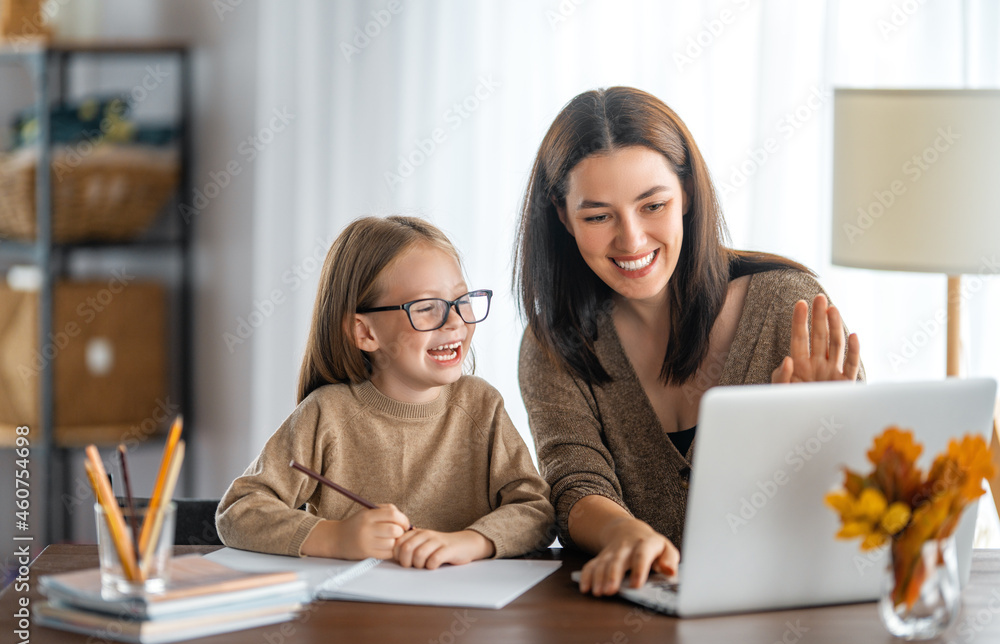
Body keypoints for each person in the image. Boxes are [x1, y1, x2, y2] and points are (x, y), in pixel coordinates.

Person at [514, 87, 864, 597]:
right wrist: (626, 533)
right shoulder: (555, 342)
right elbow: (576, 484)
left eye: (653, 205)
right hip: (628, 624)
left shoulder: (786, 303)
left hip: (781, 611)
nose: (631, 240)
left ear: (688, 195)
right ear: (563, 217)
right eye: (597, 216)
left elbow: (867, 502)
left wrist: (826, 433)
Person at [218, 215, 554, 568]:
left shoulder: (482, 406)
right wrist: (335, 537)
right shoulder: (326, 414)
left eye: (461, 300)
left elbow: (536, 511)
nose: (455, 321)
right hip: (354, 612)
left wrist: (469, 543)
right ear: (365, 333)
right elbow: (239, 511)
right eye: (427, 308)